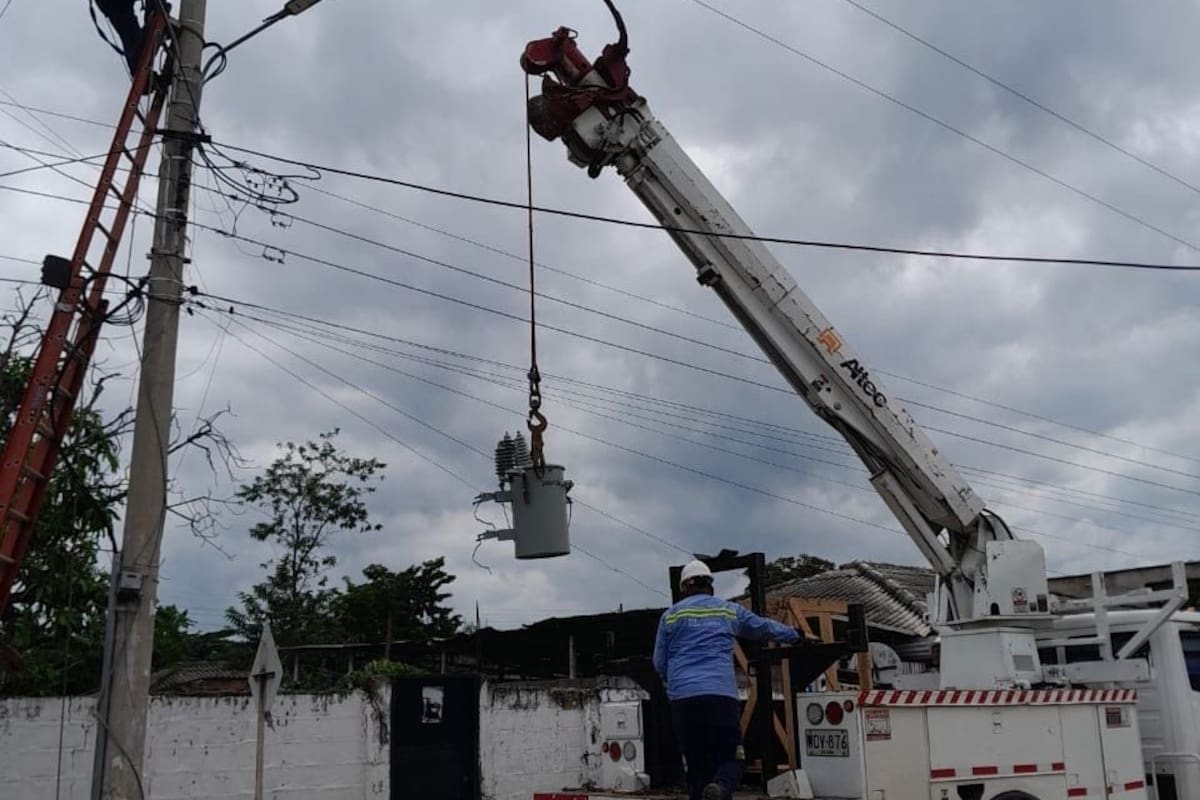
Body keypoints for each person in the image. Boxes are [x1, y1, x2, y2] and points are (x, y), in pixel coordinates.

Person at [653, 560, 801, 800]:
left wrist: (674, 685)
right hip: (720, 696)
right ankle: (721, 787)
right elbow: (763, 628)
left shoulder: (670, 616)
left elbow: (659, 663)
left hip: (684, 701)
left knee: (696, 764)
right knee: (732, 757)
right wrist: (796, 635)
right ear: (711, 586)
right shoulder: (727, 610)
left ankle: (706, 792)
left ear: (684, 588)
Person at [94, 0, 146, 73]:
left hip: (111, 7)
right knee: (131, 36)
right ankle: (137, 66)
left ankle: (136, 66)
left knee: (130, 35)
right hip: (113, 6)